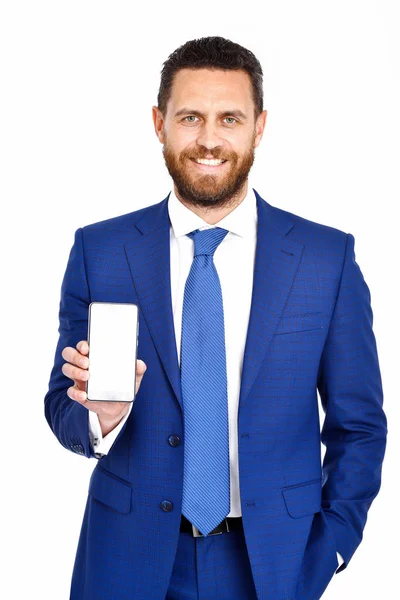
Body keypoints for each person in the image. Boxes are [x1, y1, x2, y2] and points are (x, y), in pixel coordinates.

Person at [44, 36, 387, 600]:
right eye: (189, 117)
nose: (209, 139)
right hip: (126, 561)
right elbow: (60, 406)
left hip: (275, 563)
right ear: (159, 123)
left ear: (259, 126)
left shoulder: (327, 260)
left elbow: (360, 426)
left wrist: (335, 542)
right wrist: (97, 418)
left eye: (230, 118)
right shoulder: (100, 251)